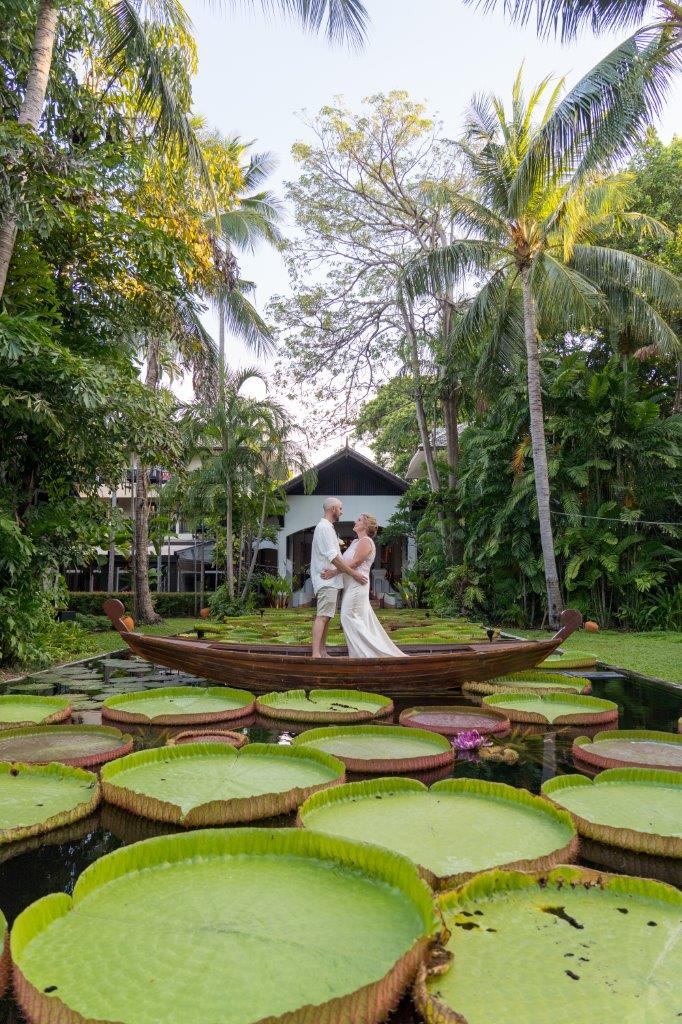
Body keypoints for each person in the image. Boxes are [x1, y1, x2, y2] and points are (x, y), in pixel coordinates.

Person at [321, 512, 407, 659]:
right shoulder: (355, 542)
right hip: (350, 585)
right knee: (358, 618)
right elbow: (344, 561)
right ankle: (362, 654)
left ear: (366, 525)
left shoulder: (366, 541)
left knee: (347, 616)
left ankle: (365, 654)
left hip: (357, 585)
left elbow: (354, 563)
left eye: (359, 520)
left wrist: (333, 573)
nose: (356, 521)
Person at [310, 497, 368, 658]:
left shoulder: (328, 528)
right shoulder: (324, 528)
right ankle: (316, 653)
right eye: (340, 508)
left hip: (331, 581)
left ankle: (322, 651)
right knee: (322, 616)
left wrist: (338, 573)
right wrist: (353, 573)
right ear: (333, 508)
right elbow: (334, 558)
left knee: (327, 616)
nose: (342, 511)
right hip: (326, 580)